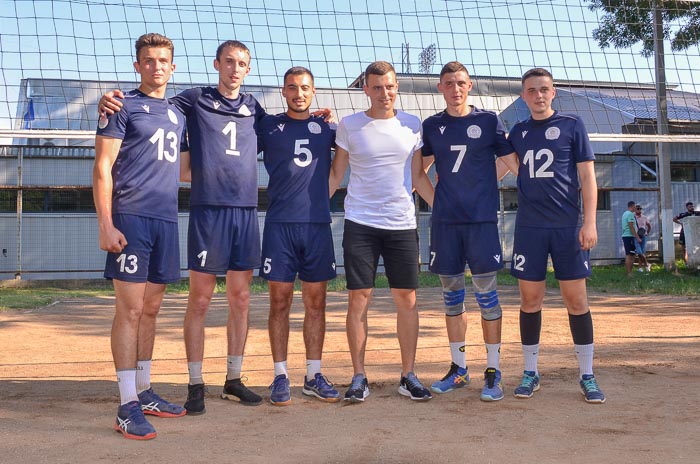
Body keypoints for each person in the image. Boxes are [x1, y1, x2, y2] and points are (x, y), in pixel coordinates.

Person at [101, 40, 266, 413]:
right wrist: (110, 100)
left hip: (242, 212)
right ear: (216, 64)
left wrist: (322, 119)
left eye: (241, 63)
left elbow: (288, 127)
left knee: (239, 299)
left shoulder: (255, 107)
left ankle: (233, 379)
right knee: (199, 299)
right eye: (228, 62)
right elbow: (148, 105)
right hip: (203, 212)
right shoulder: (190, 100)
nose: (234, 69)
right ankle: (193, 384)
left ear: (248, 69)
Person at [93, 33, 187, 440]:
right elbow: (102, 167)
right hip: (130, 218)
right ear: (138, 66)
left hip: (166, 219)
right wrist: (105, 223)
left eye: (163, 60)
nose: (156, 66)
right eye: (148, 60)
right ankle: (127, 404)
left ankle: (145, 390)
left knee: (150, 310)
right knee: (129, 311)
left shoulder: (178, 113)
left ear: (173, 66)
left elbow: (184, 170)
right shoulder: (120, 105)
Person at [329, 60, 435, 403]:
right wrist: (312, 206)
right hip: (360, 223)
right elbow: (335, 175)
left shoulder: (412, 124)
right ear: (366, 90)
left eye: (389, 86)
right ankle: (359, 376)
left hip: (402, 223)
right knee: (359, 298)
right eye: (376, 87)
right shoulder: (349, 126)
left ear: (396, 87)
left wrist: (443, 211)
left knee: (407, 300)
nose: (384, 93)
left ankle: (408, 375)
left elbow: (419, 176)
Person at [421, 61, 518, 402]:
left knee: (486, 293)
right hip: (447, 224)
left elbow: (511, 161)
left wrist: (486, 187)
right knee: (451, 293)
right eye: (449, 83)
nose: (456, 88)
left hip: (480, 223)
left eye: (461, 83)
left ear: (470, 86)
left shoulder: (488, 121)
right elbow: (420, 172)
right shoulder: (431, 126)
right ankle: (459, 368)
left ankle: (493, 370)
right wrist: (439, 203)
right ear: (441, 88)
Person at [507, 67, 605, 404]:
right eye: (531, 90)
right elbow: (498, 167)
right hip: (530, 229)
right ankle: (531, 373)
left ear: (553, 93)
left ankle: (587, 375)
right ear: (523, 96)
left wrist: (588, 222)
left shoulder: (572, 125)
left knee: (576, 300)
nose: (538, 95)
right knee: (530, 301)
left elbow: (588, 179)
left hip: (567, 228)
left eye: (544, 89)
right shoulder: (517, 132)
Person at [258, 67, 340, 405]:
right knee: (279, 303)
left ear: (314, 91)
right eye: (292, 87)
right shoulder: (266, 126)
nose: (299, 93)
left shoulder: (328, 129)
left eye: (304, 88)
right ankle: (280, 375)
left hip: (317, 226)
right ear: (283, 91)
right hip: (280, 226)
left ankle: (313, 374)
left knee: (316, 303)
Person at [621, 201, 641, 277]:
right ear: (632, 206)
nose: (636, 208)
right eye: (635, 207)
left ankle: (630, 272)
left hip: (627, 236)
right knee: (629, 255)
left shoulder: (625, 213)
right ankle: (629, 273)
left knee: (632, 254)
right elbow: (631, 226)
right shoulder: (630, 214)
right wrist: (637, 237)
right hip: (629, 236)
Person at [634, 204, 652, 272]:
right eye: (637, 209)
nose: (639, 210)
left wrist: (647, 232)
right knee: (639, 252)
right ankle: (647, 264)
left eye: (640, 209)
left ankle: (640, 267)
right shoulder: (633, 217)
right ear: (635, 210)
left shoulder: (644, 217)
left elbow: (649, 226)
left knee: (642, 252)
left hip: (643, 236)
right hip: (636, 236)